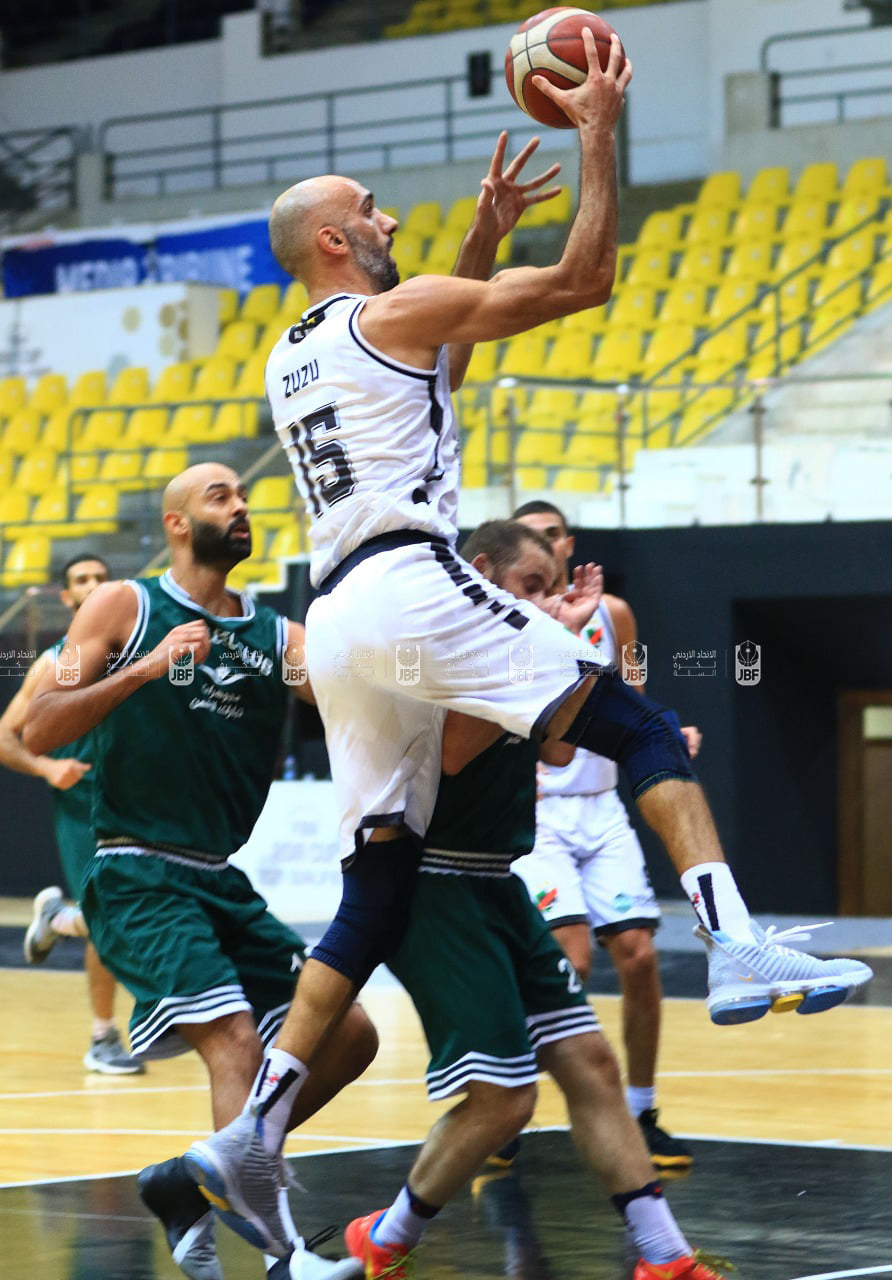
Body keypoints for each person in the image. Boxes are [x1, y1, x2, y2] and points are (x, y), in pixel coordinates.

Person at [180, 34, 870, 1261]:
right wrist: (598, 128)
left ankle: (254, 1130)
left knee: (375, 878)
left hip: (337, 619)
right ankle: (735, 938)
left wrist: (479, 241)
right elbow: (586, 281)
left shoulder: (295, 353)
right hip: (408, 582)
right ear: (333, 239)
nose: (387, 217)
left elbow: (430, 366)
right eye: (369, 208)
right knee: (637, 722)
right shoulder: (389, 310)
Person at [346, 520, 730, 1280]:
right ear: (482, 569)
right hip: (435, 884)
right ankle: (384, 1237)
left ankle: (665, 1258)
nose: (544, 601)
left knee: (592, 1063)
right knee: (505, 1100)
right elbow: (455, 753)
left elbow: (557, 749)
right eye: (530, 587)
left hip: (498, 880)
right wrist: (532, 639)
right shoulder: (450, 639)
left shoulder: (518, 641)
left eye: (551, 590)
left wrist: (564, 643)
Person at [23, 463, 376, 1280]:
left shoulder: (279, 639)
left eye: (244, 495)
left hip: (218, 876)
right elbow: (38, 725)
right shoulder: (123, 606)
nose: (241, 505)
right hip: (137, 868)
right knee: (234, 1040)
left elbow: (368, 700)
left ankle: (192, 1182)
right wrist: (144, 668)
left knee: (350, 1034)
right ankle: (285, 1258)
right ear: (177, 523)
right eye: (222, 496)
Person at [512, 499, 694, 1170]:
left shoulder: (613, 614)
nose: (546, 543)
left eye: (554, 534)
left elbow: (634, 698)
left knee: (640, 956)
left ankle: (641, 1111)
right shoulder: (509, 617)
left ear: (568, 545)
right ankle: (506, 1096)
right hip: (539, 814)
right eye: (533, 536)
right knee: (573, 960)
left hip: (600, 806)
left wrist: (668, 732)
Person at [0, 553, 143, 1074]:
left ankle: (59, 920)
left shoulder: (141, 650)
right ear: (66, 597)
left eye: (102, 577)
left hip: (139, 801)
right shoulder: (52, 662)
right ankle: (103, 1035)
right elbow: (5, 737)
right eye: (82, 580)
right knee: (111, 916)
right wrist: (45, 767)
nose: (94, 584)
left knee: (150, 907)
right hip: (84, 806)